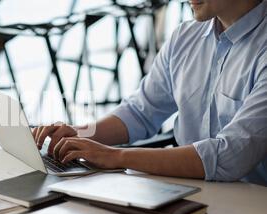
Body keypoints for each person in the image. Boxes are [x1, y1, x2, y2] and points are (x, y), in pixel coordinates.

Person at [33, 0, 267, 186]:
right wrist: (80, 135)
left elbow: (229, 156)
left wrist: (115, 157)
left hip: (252, 202)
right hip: (189, 189)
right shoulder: (185, 37)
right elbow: (139, 112)